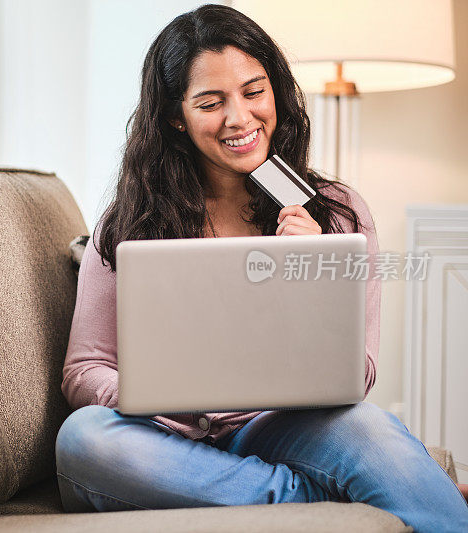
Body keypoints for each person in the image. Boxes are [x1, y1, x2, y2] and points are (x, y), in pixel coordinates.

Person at [55, 5, 468, 532]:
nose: (239, 119)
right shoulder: (132, 220)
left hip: (280, 429)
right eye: (211, 102)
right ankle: (304, 496)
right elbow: (83, 369)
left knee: (370, 429)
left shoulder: (337, 212)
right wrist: (146, 399)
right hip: (163, 439)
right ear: (175, 116)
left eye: (254, 92)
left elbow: (357, 376)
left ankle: (272, 490)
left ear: (276, 92)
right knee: (84, 439)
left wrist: (317, 271)